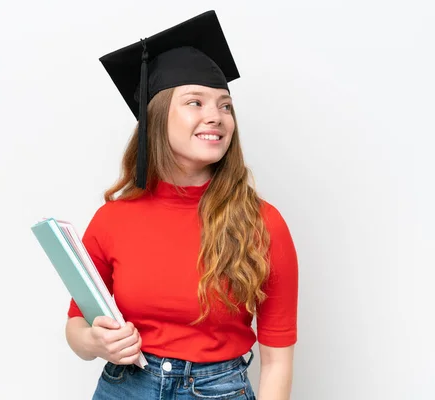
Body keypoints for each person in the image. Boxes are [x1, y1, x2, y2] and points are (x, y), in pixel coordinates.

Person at [65, 10, 299, 400]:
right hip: (125, 387)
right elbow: (76, 327)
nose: (217, 116)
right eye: (196, 102)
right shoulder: (112, 219)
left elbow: (277, 360)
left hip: (218, 391)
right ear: (157, 117)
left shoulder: (262, 223)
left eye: (225, 106)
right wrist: (96, 342)